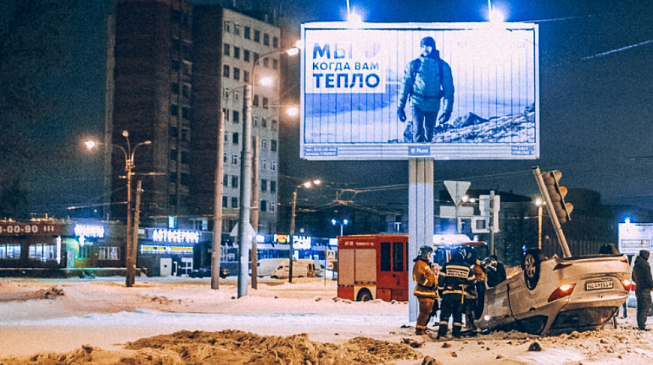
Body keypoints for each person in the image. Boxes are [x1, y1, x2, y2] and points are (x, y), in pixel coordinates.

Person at [397, 36, 455, 143]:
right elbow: (405, 86)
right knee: (417, 130)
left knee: (429, 132)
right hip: (416, 102)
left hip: (433, 104)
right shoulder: (413, 65)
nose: (425, 49)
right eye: (423, 46)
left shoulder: (443, 66)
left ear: (433, 48)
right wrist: (400, 107)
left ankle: (427, 156)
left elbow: (449, 90)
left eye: (428, 46)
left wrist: (447, 111)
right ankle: (417, 157)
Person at [437, 248, 475, 339]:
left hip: (448, 294)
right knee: (458, 314)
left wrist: (441, 291)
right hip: (460, 295)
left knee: (445, 314)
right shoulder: (467, 267)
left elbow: (441, 280)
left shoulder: (447, 266)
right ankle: (456, 334)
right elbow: (472, 281)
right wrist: (467, 288)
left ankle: (442, 333)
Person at [412, 245, 439, 335]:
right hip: (424, 292)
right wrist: (431, 284)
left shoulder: (424, 264)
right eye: (429, 254)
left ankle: (423, 328)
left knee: (428, 312)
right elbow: (420, 278)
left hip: (428, 293)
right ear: (424, 254)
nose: (430, 256)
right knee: (424, 312)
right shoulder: (420, 264)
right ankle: (420, 331)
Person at [632, 250, 653, 330]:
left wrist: (638, 282)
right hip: (645, 289)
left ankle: (640, 324)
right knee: (645, 307)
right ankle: (642, 325)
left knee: (640, 308)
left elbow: (633, 277)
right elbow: (648, 278)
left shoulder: (636, 265)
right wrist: (650, 285)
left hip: (638, 289)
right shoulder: (645, 265)